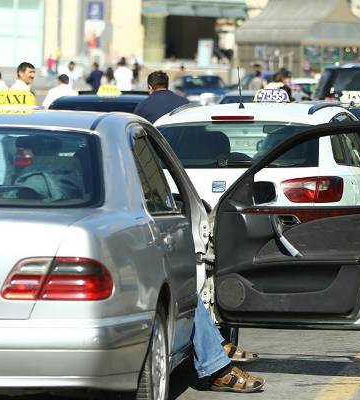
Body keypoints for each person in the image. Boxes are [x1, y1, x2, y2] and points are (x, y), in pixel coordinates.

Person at [134, 70, 265, 393]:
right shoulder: (183, 107)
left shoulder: (144, 114)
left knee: (188, 293)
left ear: (150, 87)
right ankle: (216, 360)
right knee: (185, 293)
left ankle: (216, 352)